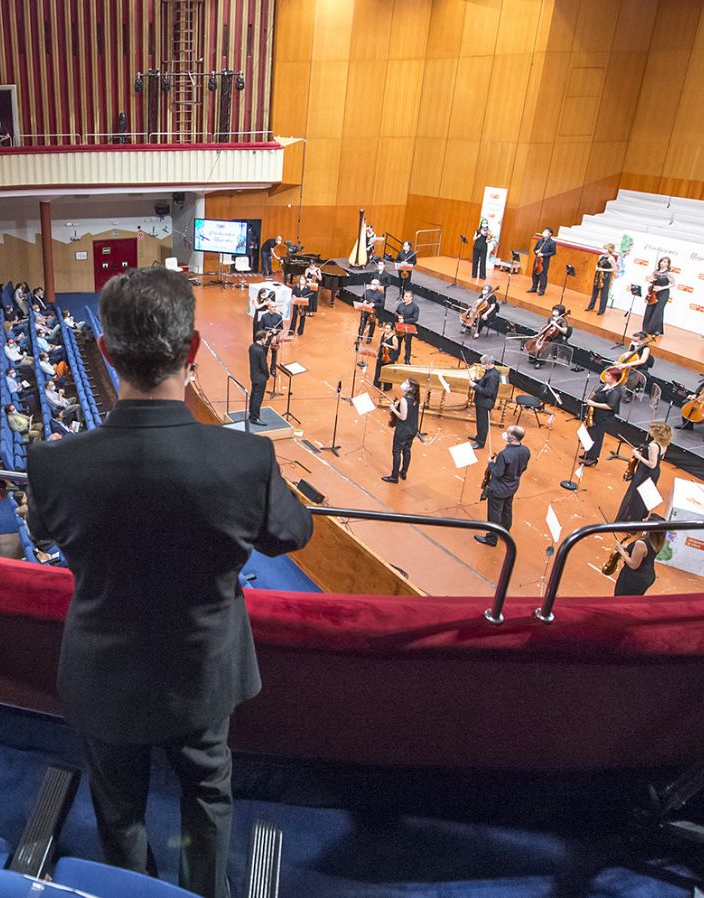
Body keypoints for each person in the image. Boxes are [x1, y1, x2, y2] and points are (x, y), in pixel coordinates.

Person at [26, 267, 312, 898]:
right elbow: (292, 536)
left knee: (118, 805)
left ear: (104, 350)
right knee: (207, 793)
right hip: (203, 669)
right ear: (191, 352)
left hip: (103, 669)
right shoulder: (245, 459)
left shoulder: (52, 463)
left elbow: (45, 531)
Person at [475, 425, 529, 546]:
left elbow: (497, 473)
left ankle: (491, 539)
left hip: (499, 488)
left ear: (513, 437)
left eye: (508, 433)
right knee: (507, 510)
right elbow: (524, 467)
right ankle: (505, 532)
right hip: (512, 486)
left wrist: (490, 464)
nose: (506, 434)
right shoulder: (525, 450)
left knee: (494, 513)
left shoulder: (504, 454)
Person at [615, 422, 671, 522]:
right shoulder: (664, 444)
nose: (649, 431)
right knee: (644, 496)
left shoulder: (653, 445)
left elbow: (651, 464)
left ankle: (632, 520)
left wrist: (638, 456)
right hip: (655, 473)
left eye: (651, 430)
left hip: (645, 472)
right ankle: (639, 518)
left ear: (656, 433)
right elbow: (659, 459)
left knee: (636, 496)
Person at [579, 369, 625, 466]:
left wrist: (594, 403)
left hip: (603, 417)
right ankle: (588, 453)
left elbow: (610, 406)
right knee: (590, 433)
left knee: (596, 436)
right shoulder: (605, 385)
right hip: (595, 414)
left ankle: (593, 458)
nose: (605, 376)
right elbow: (596, 393)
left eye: (608, 375)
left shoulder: (616, 391)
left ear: (614, 378)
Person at [612, 514, 666, 596]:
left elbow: (633, 565)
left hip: (634, 578)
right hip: (647, 576)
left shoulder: (641, 543)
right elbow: (646, 553)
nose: (643, 520)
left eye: (646, 521)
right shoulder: (657, 539)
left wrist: (621, 551)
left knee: (621, 598)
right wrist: (628, 548)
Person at [382, 380, 420, 484]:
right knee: (407, 450)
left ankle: (394, 477)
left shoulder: (404, 400)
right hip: (412, 429)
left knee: (396, 452)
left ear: (410, 388)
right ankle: (403, 472)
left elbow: (403, 417)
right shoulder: (416, 399)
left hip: (403, 430)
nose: (404, 384)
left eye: (407, 384)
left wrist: (393, 409)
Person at [470, 354, 500, 449]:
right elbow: (484, 381)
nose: (482, 365)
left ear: (488, 364)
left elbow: (488, 392)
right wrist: (477, 381)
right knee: (480, 421)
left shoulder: (493, 376)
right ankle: (479, 437)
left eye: (483, 364)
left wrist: (474, 386)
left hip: (485, 403)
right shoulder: (489, 372)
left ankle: (480, 443)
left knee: (483, 423)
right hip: (481, 402)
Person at [642, 256, 672, 336]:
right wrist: (650, 280)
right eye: (662, 261)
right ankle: (646, 328)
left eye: (665, 262)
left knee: (658, 310)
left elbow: (673, 284)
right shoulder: (655, 271)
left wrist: (661, 288)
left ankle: (653, 330)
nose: (663, 263)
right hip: (654, 292)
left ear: (668, 264)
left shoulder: (668, 274)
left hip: (663, 293)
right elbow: (651, 280)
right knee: (649, 309)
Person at [585, 243, 617, 314]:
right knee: (595, 291)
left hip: (605, 276)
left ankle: (601, 310)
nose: (604, 250)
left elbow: (614, 269)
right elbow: (597, 265)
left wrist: (603, 270)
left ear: (609, 250)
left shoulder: (611, 258)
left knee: (604, 293)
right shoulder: (601, 256)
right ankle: (591, 306)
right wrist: (597, 268)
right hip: (598, 275)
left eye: (605, 249)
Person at [247, 329, 270, 425]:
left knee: (253, 396)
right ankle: (254, 418)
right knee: (258, 398)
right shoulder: (260, 351)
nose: (266, 340)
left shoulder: (252, 347)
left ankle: (251, 413)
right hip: (260, 378)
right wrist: (267, 375)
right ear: (262, 339)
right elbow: (263, 366)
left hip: (253, 376)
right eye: (266, 338)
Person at [527, 228, 555, 293]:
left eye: (546, 231)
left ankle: (542, 290)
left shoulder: (552, 243)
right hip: (537, 260)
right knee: (534, 274)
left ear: (550, 234)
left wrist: (543, 254)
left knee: (542, 275)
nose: (544, 232)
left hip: (544, 261)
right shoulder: (540, 241)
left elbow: (553, 252)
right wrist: (536, 252)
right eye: (544, 231)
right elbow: (534, 249)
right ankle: (534, 287)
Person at [357, 278, 383, 343]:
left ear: (377, 285)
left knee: (372, 324)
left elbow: (382, 304)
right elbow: (361, 298)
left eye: (374, 284)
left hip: (373, 312)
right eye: (371, 284)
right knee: (362, 323)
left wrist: (374, 304)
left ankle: (370, 337)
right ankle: (360, 336)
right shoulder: (367, 291)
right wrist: (363, 301)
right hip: (365, 310)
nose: (372, 285)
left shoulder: (380, 294)